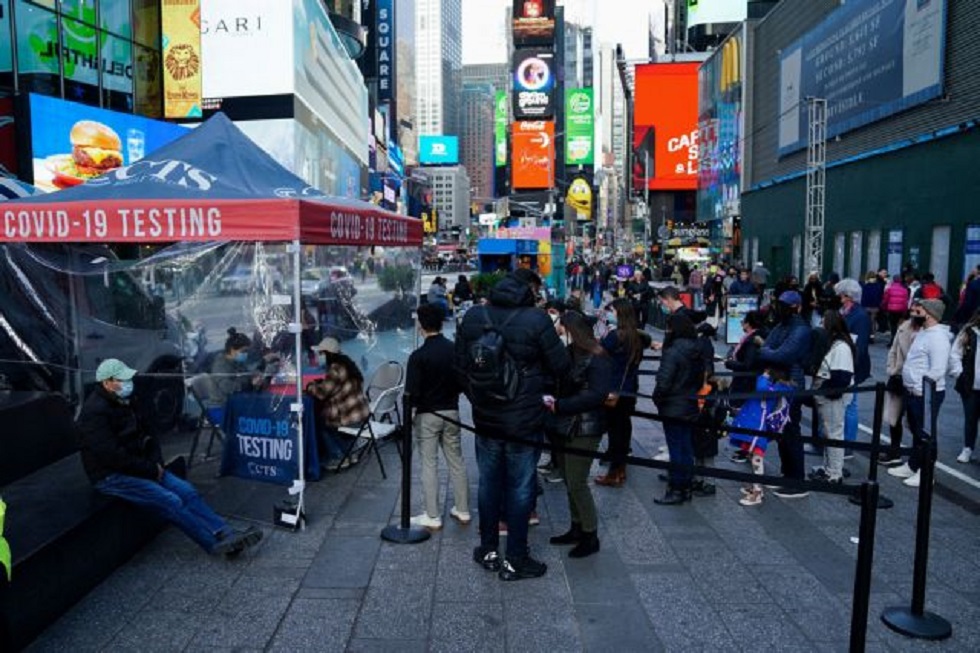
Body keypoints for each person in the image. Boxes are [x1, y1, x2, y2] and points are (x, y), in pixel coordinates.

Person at [76, 359, 262, 556]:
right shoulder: (94, 414)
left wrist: (156, 463)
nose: (128, 382)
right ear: (107, 383)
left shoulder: (128, 400)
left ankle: (226, 532)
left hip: (141, 464)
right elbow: (111, 456)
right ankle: (213, 543)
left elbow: (149, 433)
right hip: (111, 475)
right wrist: (149, 469)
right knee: (170, 500)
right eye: (123, 379)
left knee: (187, 491)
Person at [455, 270, 571, 581]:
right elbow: (561, 366)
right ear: (526, 294)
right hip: (524, 418)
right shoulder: (536, 320)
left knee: (489, 482)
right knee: (521, 486)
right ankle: (516, 558)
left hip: (486, 418)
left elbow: (461, 366)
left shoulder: (474, 317)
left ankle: (489, 549)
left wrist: (480, 398)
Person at [545, 311, 611, 558]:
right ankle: (577, 527)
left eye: (561, 326)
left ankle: (590, 533)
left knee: (576, 480)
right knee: (569, 478)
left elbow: (596, 395)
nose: (559, 330)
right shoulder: (571, 352)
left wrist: (561, 405)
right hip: (565, 423)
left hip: (585, 426)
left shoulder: (598, 356)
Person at [406, 304, 469, 530]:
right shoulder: (454, 350)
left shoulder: (418, 356)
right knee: (457, 461)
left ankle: (432, 515)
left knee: (429, 464)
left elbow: (412, 394)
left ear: (421, 325)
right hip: (451, 412)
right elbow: (462, 382)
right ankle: (462, 510)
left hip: (427, 414)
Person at [888, 299, 952, 488]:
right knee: (916, 430)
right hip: (914, 391)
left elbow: (938, 369)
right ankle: (913, 464)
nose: (914, 310)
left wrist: (918, 386)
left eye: (920, 308)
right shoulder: (925, 332)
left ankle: (926, 472)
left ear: (930, 313)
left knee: (926, 433)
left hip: (925, 393)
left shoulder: (937, 338)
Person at [756, 290, 812, 498]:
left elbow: (782, 354)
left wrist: (767, 352)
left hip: (791, 383)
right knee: (782, 430)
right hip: (779, 382)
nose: (780, 309)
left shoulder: (801, 329)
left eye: (785, 305)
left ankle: (797, 480)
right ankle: (788, 474)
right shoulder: (783, 326)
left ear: (796, 306)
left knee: (790, 430)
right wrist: (769, 352)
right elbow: (770, 348)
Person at [595, 299, 652, 487]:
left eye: (611, 310)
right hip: (629, 390)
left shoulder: (615, 336)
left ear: (619, 312)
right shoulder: (635, 336)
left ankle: (614, 472)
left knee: (615, 431)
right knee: (623, 428)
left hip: (614, 390)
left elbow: (599, 356)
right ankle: (620, 470)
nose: (608, 313)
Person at [652, 314, 704, 505]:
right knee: (686, 446)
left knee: (676, 448)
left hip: (673, 404)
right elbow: (700, 379)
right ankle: (686, 486)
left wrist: (658, 399)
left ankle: (676, 489)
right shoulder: (697, 349)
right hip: (689, 402)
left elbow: (663, 382)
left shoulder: (673, 352)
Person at [728, 368, 793, 506]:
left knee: (757, 458)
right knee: (753, 457)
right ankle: (756, 487)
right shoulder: (777, 385)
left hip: (758, 426)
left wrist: (764, 375)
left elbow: (761, 388)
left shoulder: (777, 386)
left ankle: (757, 491)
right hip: (753, 424)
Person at [305, 337, 371, 470]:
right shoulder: (347, 364)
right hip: (361, 414)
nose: (320, 356)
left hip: (349, 417)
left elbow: (321, 393)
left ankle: (338, 456)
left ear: (328, 353)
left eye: (321, 353)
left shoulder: (335, 369)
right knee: (326, 417)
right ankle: (350, 452)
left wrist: (310, 386)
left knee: (321, 422)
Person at [809, 311, 855, 483]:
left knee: (834, 433)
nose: (821, 326)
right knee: (829, 432)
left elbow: (841, 377)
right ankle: (828, 467)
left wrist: (825, 391)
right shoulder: (835, 344)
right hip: (827, 394)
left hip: (832, 396)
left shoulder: (841, 347)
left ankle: (834, 472)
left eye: (823, 323)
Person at [836, 278, 872, 454]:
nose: (839, 298)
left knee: (850, 405)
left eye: (841, 295)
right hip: (841, 362)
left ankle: (848, 445)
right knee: (843, 404)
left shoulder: (860, 316)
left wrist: (851, 368)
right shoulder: (844, 312)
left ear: (847, 296)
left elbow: (861, 346)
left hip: (851, 365)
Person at [878, 314, 917, 466]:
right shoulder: (904, 327)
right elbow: (893, 350)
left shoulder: (928, 333)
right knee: (894, 417)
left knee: (916, 421)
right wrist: (892, 369)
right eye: (913, 309)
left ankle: (916, 459)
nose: (915, 312)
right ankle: (894, 451)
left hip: (916, 380)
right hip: (898, 377)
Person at [947, 308, 980, 464]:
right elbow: (955, 354)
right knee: (970, 418)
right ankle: (967, 448)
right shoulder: (968, 332)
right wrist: (959, 374)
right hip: (970, 384)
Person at [210, 328, 266, 410]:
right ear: (232, 350)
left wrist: (255, 376)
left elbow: (246, 374)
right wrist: (250, 383)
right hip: (223, 406)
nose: (246, 354)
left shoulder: (236, 362)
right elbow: (227, 387)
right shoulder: (221, 365)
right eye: (243, 351)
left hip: (237, 402)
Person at [882, 275, 910, 345]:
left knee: (892, 325)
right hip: (900, 310)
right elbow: (906, 301)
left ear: (893, 280)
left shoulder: (889, 289)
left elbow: (885, 300)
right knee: (899, 325)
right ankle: (898, 340)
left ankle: (892, 339)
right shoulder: (904, 290)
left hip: (891, 309)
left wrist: (884, 308)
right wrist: (905, 311)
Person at [860, 271, 885, 341]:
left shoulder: (864, 285)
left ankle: (866, 335)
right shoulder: (878, 285)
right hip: (875, 306)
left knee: (865, 321)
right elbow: (881, 296)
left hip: (865, 305)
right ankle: (872, 336)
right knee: (873, 321)